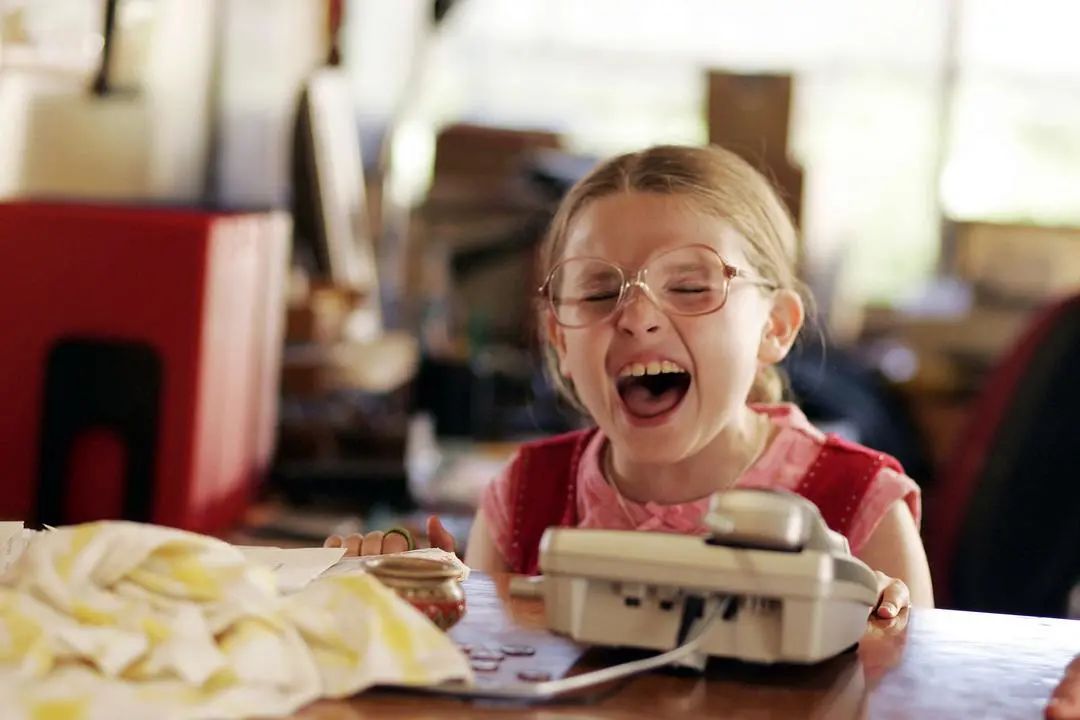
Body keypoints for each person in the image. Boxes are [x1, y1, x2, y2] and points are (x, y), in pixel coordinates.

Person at [326, 144, 934, 618]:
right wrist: (412, 613)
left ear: (775, 327)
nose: (638, 318)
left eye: (692, 286)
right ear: (559, 340)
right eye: (597, 291)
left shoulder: (862, 510)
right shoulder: (524, 501)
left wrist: (872, 637)